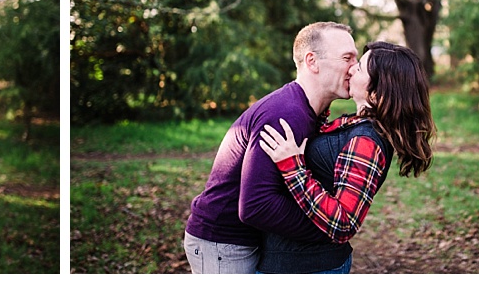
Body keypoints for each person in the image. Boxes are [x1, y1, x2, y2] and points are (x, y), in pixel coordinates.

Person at [183, 22, 358, 273]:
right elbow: (256, 206)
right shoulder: (285, 114)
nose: (355, 67)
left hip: (247, 242)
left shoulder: (305, 110)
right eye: (347, 58)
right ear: (312, 61)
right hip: (224, 244)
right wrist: (325, 230)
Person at [256, 41, 435, 274]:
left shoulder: (367, 142)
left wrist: (293, 168)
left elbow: (344, 222)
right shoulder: (358, 125)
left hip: (308, 268)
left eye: (359, 68)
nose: (351, 69)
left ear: (377, 90)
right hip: (295, 261)